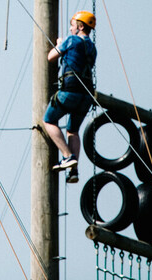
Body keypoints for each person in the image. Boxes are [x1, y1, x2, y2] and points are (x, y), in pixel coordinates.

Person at [43, 10, 98, 183]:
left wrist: (60, 44)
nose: (70, 28)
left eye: (72, 25)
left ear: (80, 27)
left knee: (49, 121)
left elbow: (50, 57)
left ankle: (67, 156)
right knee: (73, 130)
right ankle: (74, 170)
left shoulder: (71, 40)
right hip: (86, 96)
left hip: (69, 92)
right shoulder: (92, 48)